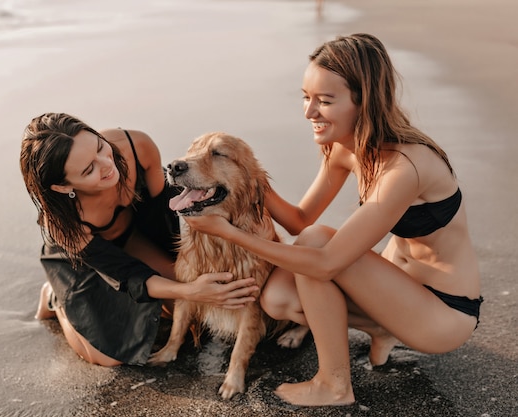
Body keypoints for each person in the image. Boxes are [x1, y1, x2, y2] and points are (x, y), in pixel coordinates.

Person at [182, 33, 482, 406]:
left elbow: (323, 261)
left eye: (324, 101)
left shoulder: (407, 166)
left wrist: (229, 233)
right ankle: (380, 329)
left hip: (443, 313)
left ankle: (334, 384)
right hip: (397, 291)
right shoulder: (344, 148)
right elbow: (297, 219)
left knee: (316, 242)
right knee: (278, 298)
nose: (310, 112)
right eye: (306, 98)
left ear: (365, 100)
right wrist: (247, 173)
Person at [19, 113, 259, 367]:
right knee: (109, 357)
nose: (106, 164)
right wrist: (192, 290)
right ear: (63, 186)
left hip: (134, 238)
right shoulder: (61, 224)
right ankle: (54, 299)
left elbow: (167, 214)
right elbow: (124, 273)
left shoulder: (136, 147)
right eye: (89, 169)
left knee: (184, 310)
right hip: (82, 261)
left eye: (101, 147)